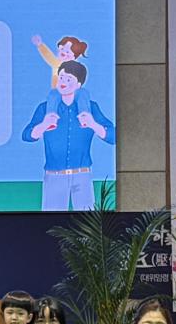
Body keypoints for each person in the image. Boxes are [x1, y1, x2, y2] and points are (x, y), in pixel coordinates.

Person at [21, 58, 113, 211]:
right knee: (51, 223)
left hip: (82, 176)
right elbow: (26, 135)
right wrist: (43, 125)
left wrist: (93, 124)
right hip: (54, 177)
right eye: (61, 77)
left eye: (69, 79)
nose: (63, 82)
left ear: (79, 84)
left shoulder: (91, 108)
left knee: (87, 223)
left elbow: (113, 136)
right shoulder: (45, 108)